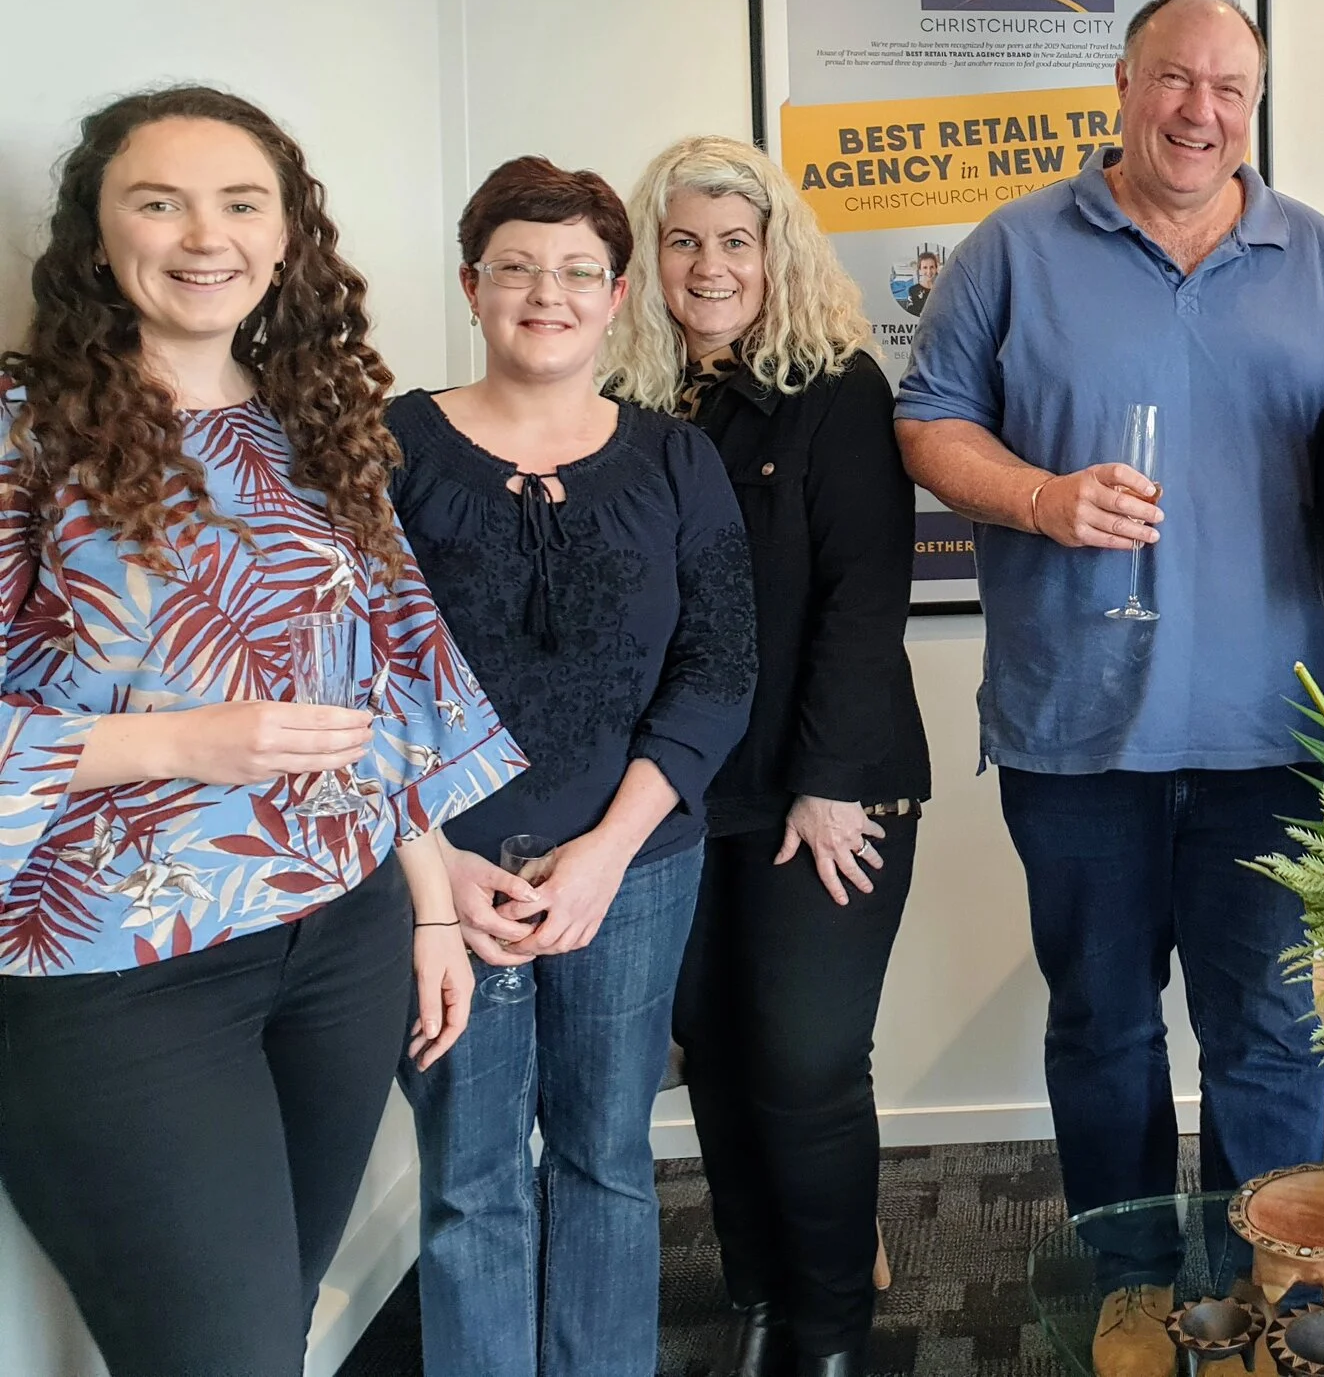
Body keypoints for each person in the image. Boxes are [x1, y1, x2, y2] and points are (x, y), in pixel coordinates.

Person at [0, 87, 523, 1377]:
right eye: (156, 200)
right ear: (94, 233)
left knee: (271, 1331)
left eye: (241, 203)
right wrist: (174, 744)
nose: (202, 235)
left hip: (338, 940)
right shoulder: (27, 426)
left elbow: (392, 675)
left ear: (288, 237)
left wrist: (431, 907)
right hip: (121, 969)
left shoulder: (313, 413)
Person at [894, 0, 1324, 1377]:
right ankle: (1131, 1276)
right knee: (1102, 1022)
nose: (1201, 110)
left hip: (1274, 732)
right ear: (1123, 83)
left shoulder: (1321, 255)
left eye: (1231, 87)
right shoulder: (1015, 246)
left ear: (1255, 102)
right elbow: (928, 421)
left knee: (1271, 1034)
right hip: (1076, 728)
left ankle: (1269, 1286)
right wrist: (1042, 497)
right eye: (1176, 79)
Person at [391, 156, 757, 1377]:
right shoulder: (387, 450)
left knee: (607, 1163)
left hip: (632, 868)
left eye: (576, 272)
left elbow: (717, 670)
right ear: (470, 283)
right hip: (439, 881)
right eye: (516, 268)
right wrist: (435, 870)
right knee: (470, 1181)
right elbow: (348, 676)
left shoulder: (672, 462)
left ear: (614, 298)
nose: (545, 293)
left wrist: (605, 854)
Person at [612, 136, 927, 1377]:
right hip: (674, 791)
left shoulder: (836, 388)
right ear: (649, 259)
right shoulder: (617, 408)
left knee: (801, 1055)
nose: (709, 265)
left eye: (734, 241)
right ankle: (756, 1301)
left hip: (825, 783)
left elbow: (863, 598)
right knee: (716, 1050)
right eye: (683, 240)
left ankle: (834, 1327)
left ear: (774, 254)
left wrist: (830, 782)